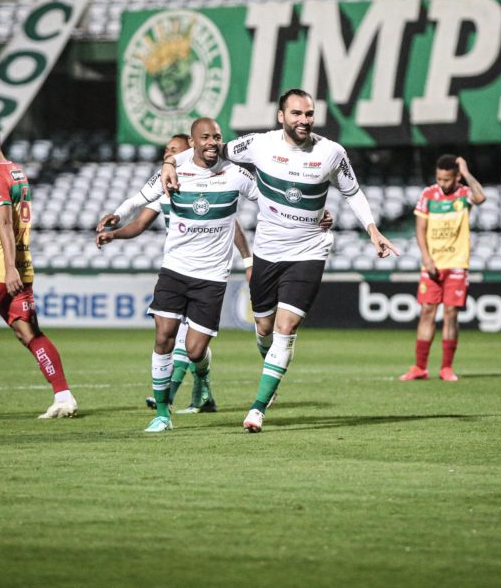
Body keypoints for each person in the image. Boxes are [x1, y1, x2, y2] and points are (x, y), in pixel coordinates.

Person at [161, 89, 399, 433]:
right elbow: (210, 152)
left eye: (309, 114)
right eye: (297, 114)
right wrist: (170, 161)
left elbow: (353, 192)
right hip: (268, 251)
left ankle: (257, 408)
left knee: (285, 330)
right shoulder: (258, 144)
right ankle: (269, 360)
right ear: (281, 116)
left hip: (309, 250)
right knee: (264, 329)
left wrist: (373, 230)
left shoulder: (332, 152)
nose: (304, 120)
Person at [98, 118, 260, 433]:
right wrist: (117, 218)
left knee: (196, 349)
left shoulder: (235, 174)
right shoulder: (171, 176)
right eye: (206, 137)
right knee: (164, 337)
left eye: (217, 136)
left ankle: (202, 385)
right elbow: (138, 201)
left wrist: (307, 219)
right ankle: (162, 412)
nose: (213, 142)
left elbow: (265, 202)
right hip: (174, 270)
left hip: (212, 276)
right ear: (193, 141)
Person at [0, 122, 77, 418]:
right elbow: (7, 222)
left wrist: (6, 269)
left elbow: (5, 224)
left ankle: (64, 396)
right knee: (28, 332)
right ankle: (64, 396)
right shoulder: (15, 171)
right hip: (17, 266)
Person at [400, 154, 486, 382]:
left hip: (457, 264)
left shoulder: (464, 194)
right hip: (432, 264)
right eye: (439, 178)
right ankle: (419, 367)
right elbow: (420, 228)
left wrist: (466, 173)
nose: (442, 183)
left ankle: (446, 367)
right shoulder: (428, 195)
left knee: (450, 314)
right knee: (427, 312)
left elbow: (481, 197)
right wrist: (426, 258)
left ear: (456, 177)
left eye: (447, 179)